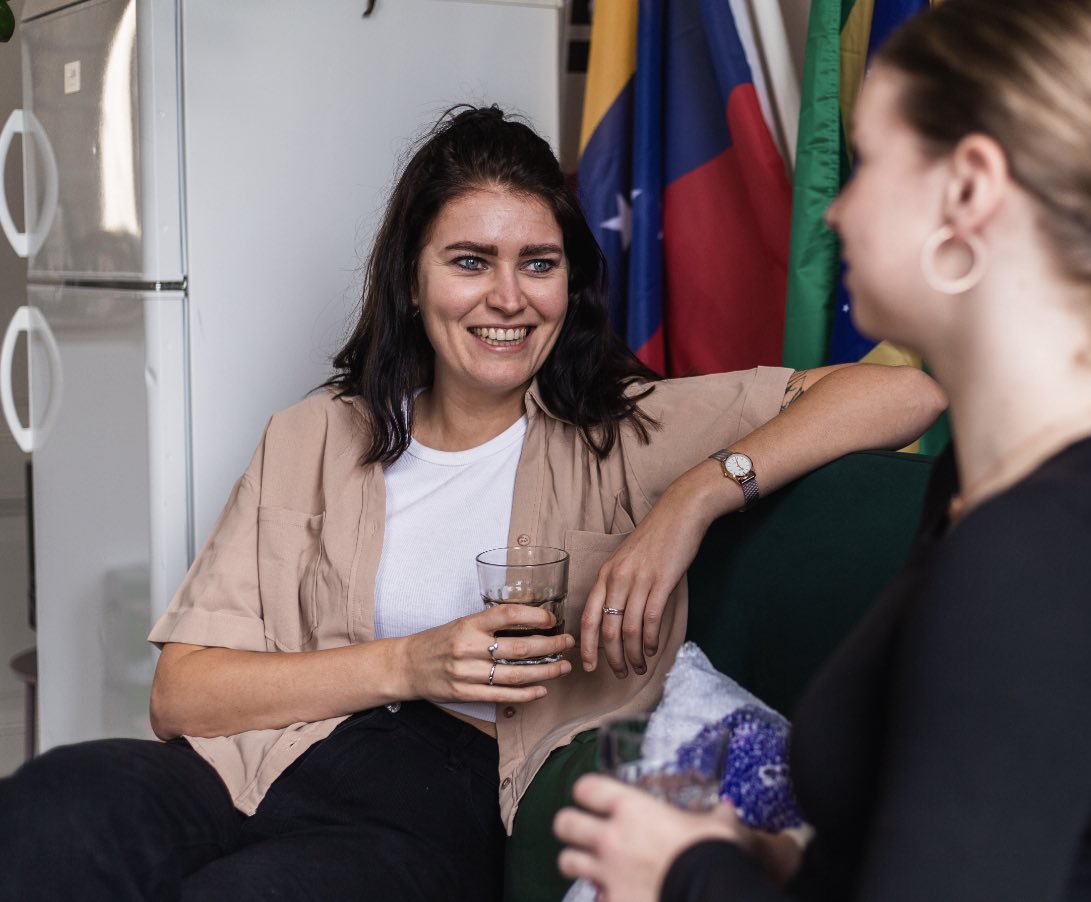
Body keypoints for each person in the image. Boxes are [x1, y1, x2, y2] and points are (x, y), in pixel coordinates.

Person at [0, 107, 944, 901]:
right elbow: (180, 694)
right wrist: (411, 662)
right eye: (469, 261)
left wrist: (695, 497)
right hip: (247, 762)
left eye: (538, 263)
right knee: (48, 807)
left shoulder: (629, 428)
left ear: (570, 283)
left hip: (431, 801)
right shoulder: (311, 436)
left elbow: (909, 391)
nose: (508, 298)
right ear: (412, 283)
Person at [552, 2, 1091, 900]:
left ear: (969, 193)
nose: (835, 210)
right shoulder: (989, 488)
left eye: (869, 164)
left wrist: (688, 874)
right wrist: (784, 867)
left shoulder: (1045, 555)